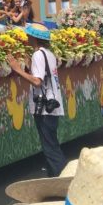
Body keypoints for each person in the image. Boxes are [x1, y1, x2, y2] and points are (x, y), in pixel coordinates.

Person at [6, 22, 66, 176]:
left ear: (33, 37)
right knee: (51, 143)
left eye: (28, 35)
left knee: (50, 146)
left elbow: (37, 81)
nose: (26, 37)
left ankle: (62, 179)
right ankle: (55, 178)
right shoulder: (48, 53)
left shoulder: (38, 54)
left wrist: (18, 70)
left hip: (44, 107)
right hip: (52, 104)